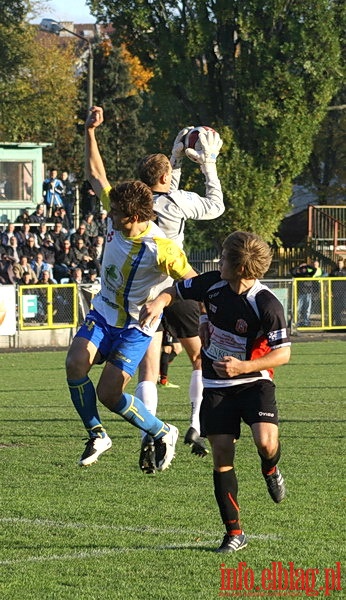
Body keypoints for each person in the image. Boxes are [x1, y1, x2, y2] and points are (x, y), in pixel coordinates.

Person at [86, 106, 224, 472]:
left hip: (139, 296)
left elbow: (149, 183)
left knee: (147, 371)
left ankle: (150, 432)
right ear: (165, 175)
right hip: (173, 285)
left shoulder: (133, 200)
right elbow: (216, 205)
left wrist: (175, 156)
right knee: (198, 358)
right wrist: (207, 163)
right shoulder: (176, 202)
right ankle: (195, 425)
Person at [139, 230, 291, 553]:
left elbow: (283, 354)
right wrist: (159, 301)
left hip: (254, 381)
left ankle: (271, 468)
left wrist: (243, 367)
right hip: (217, 385)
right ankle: (235, 533)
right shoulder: (212, 284)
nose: (217, 261)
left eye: (223, 257)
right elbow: (175, 291)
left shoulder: (267, 304)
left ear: (240, 268)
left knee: (266, 443)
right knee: (222, 455)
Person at [65, 109, 197, 471]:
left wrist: (165, 297)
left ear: (137, 216)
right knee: (75, 363)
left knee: (110, 393)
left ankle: (162, 431)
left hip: (137, 326)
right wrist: (90, 131)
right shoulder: (117, 210)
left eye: (118, 216)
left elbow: (193, 282)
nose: (110, 217)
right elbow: (95, 174)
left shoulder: (162, 246)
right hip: (104, 311)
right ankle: (96, 434)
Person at [290, 260, 321, 326]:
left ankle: (306, 322)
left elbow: (314, 269)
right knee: (298, 308)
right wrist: (299, 266)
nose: (304, 269)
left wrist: (307, 265)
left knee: (307, 309)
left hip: (308, 294)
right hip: (300, 293)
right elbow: (292, 271)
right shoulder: (298, 275)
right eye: (302, 268)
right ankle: (296, 322)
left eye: (305, 268)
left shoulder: (309, 274)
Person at [329, 257, 346, 326]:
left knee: (343, 307)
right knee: (336, 310)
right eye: (338, 263)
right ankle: (338, 325)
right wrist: (330, 292)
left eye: (341, 263)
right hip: (336, 293)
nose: (339, 264)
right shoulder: (334, 271)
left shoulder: (345, 271)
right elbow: (329, 281)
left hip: (344, 293)